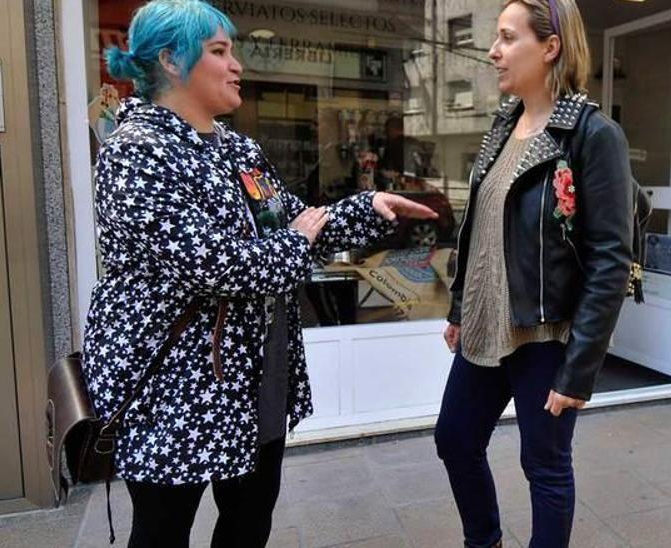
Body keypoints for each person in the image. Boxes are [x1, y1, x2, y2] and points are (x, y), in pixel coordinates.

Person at [81, 2, 435, 547]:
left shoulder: (237, 148)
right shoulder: (137, 154)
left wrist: (367, 208)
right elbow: (217, 266)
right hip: (175, 386)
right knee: (162, 530)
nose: (237, 64)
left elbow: (294, 220)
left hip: (255, 371)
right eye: (219, 51)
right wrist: (295, 241)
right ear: (172, 61)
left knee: (249, 521)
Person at [434, 0, 635, 546]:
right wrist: (459, 308)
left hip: (544, 333)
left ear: (550, 47)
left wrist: (580, 369)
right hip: (485, 325)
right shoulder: (502, 127)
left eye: (506, 38)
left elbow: (610, 259)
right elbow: (478, 229)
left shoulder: (593, 136)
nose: (493, 52)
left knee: (543, 464)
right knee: (454, 439)